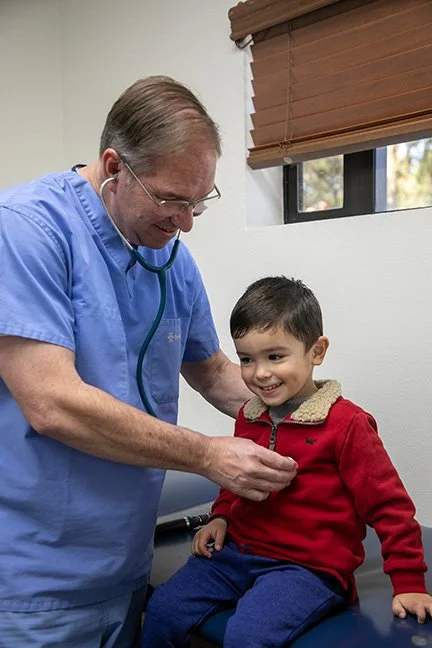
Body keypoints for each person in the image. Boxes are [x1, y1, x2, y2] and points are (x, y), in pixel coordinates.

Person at [0, 77, 297, 647]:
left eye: (197, 202)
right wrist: (210, 455)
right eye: (170, 199)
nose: (184, 221)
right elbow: (51, 404)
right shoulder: (27, 229)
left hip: (125, 560)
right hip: (34, 577)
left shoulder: (167, 255)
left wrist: (306, 411)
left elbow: (210, 369)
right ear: (114, 166)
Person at [142, 276, 432, 648]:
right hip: (239, 553)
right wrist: (221, 516)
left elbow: (391, 509)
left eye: (275, 356)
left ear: (317, 351)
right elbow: (238, 479)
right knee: (164, 608)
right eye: (246, 359)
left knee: (248, 636)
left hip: (306, 569)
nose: (259, 373)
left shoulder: (348, 426)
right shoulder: (250, 414)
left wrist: (409, 583)